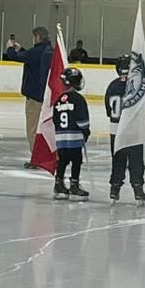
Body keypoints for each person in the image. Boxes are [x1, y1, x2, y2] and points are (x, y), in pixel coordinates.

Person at [105, 54, 145, 205]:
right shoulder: (139, 85)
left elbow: (108, 110)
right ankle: (138, 189)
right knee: (136, 161)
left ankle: (115, 188)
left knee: (118, 160)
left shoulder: (112, 86)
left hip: (116, 130)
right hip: (133, 131)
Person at [5, 26, 54, 166]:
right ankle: (49, 156)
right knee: (46, 128)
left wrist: (10, 48)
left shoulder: (37, 51)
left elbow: (15, 57)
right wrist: (21, 49)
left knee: (32, 129)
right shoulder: (48, 50)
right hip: (45, 96)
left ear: (38, 36)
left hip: (34, 96)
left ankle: (37, 159)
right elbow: (30, 58)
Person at [52, 67, 90, 200]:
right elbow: (83, 121)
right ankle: (74, 185)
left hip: (61, 138)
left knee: (62, 160)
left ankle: (59, 183)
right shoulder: (78, 99)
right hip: (74, 137)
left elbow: (55, 119)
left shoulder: (58, 100)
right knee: (76, 160)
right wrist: (86, 132)